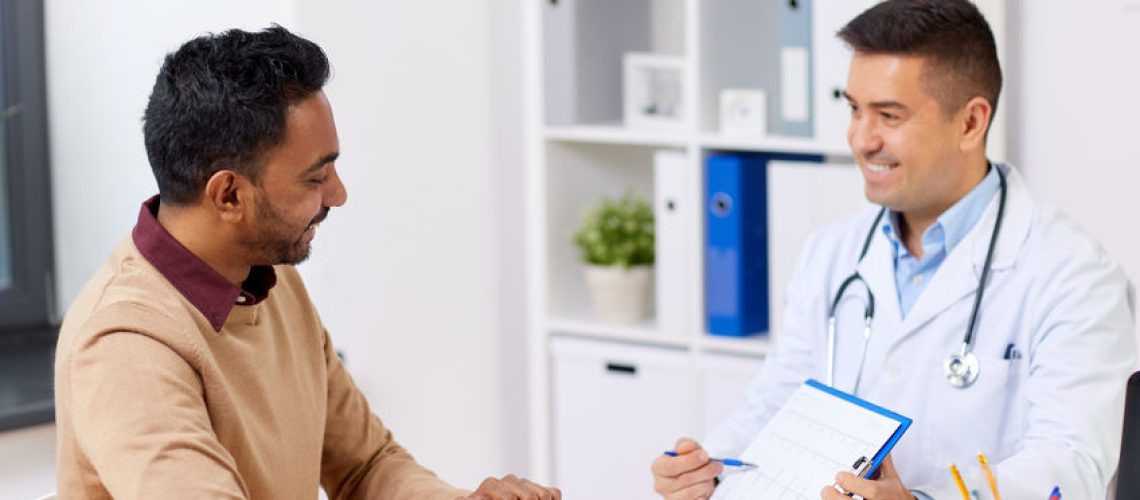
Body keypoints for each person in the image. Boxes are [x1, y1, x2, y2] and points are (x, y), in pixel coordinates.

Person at [651, 1, 1136, 499]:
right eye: (854, 109)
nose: (861, 140)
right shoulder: (831, 253)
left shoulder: (1075, 275)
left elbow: (1071, 466)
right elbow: (777, 404)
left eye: (889, 115)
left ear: (971, 123)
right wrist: (708, 466)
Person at [54, 26, 559, 500]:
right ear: (229, 194)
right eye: (315, 178)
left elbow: (367, 465)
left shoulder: (269, 283)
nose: (338, 194)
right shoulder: (125, 344)